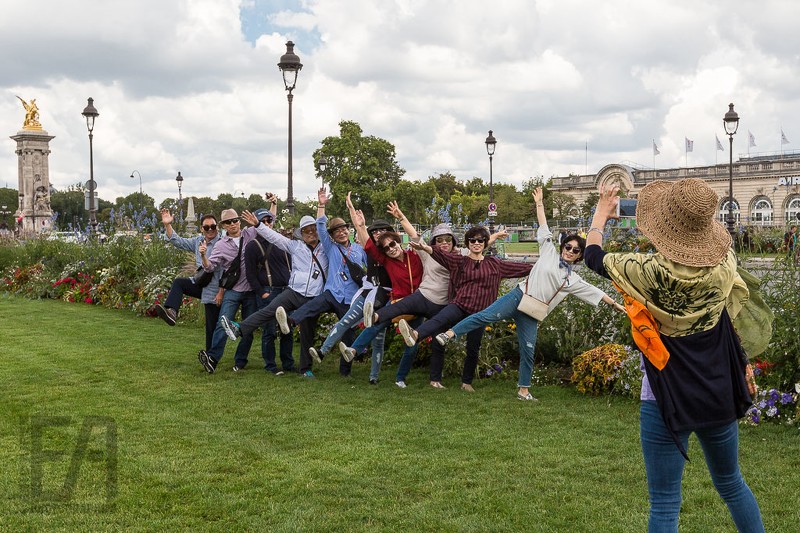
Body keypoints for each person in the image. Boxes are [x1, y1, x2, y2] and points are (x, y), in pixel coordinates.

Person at [584, 178, 763, 532]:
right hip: (717, 388)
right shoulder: (725, 263)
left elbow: (592, 256)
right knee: (731, 484)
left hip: (664, 393)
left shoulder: (647, 271)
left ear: (665, 227)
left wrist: (600, 217)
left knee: (665, 503)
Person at [436, 188, 624, 400]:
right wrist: (539, 203)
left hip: (532, 312)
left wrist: (616, 305)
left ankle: (523, 390)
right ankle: (448, 334)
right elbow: (543, 225)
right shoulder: (549, 252)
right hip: (517, 297)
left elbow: (594, 292)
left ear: (580, 256)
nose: (570, 251)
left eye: (575, 250)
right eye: (568, 246)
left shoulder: (572, 279)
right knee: (484, 316)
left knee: (528, 350)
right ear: (562, 246)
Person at [399, 225, 533, 392]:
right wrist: (425, 247)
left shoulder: (495, 264)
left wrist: (543, 267)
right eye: (472, 240)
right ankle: (415, 335)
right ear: (468, 243)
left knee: (473, 347)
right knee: (440, 320)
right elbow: (439, 254)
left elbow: (522, 268)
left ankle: (466, 382)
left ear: (485, 243)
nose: (476, 243)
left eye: (480, 240)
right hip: (459, 305)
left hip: (480, 314)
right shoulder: (460, 261)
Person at [274, 187, 367, 377]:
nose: (341, 233)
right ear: (331, 236)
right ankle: (289, 322)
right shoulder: (330, 247)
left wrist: (360, 224)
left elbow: (371, 256)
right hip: (332, 293)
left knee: (347, 334)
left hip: (350, 298)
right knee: (312, 307)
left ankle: (345, 371)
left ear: (348, 231)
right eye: (336, 231)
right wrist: (321, 205)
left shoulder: (359, 250)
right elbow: (321, 224)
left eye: (343, 229)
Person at [220, 214, 328, 378]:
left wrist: (321, 207)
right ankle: (239, 329)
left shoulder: (326, 249)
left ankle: (305, 369)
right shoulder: (295, 246)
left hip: (313, 296)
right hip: (294, 291)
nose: (311, 233)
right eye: (307, 230)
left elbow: (324, 225)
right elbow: (275, 237)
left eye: (314, 229)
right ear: (302, 234)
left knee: (307, 332)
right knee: (270, 309)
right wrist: (258, 225)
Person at [308, 197, 395, 384]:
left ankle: (374, 377)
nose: (379, 233)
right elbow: (361, 229)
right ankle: (322, 351)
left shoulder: (394, 251)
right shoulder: (370, 249)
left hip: (385, 298)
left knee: (378, 338)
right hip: (368, 293)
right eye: (376, 231)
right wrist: (352, 210)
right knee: (346, 320)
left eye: (384, 230)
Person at [197, 208, 258, 373]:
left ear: (239, 221)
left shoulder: (250, 234)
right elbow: (210, 268)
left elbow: (269, 226)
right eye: (229, 222)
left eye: (236, 220)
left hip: (251, 290)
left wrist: (273, 204)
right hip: (233, 290)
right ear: (223, 225)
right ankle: (213, 359)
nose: (233, 224)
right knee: (222, 323)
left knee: (248, 327)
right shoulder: (220, 245)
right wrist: (203, 256)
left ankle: (240, 361)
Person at [154, 209, 222, 353]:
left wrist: (221, 292)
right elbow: (178, 241)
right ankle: (172, 312)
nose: (210, 230)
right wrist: (167, 225)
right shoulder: (198, 241)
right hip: (200, 284)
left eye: (213, 227)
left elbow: (226, 271)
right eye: (206, 227)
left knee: (212, 326)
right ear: (201, 228)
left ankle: (211, 356)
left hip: (215, 290)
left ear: (217, 227)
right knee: (179, 282)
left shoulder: (223, 243)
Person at [242, 201, 294, 375]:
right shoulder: (252, 246)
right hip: (268, 291)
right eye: (263, 221)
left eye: (269, 220)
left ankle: (288, 363)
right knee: (269, 330)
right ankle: (271, 365)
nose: (267, 224)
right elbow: (250, 274)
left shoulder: (282, 242)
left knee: (287, 328)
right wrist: (262, 293)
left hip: (286, 290)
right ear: (256, 224)